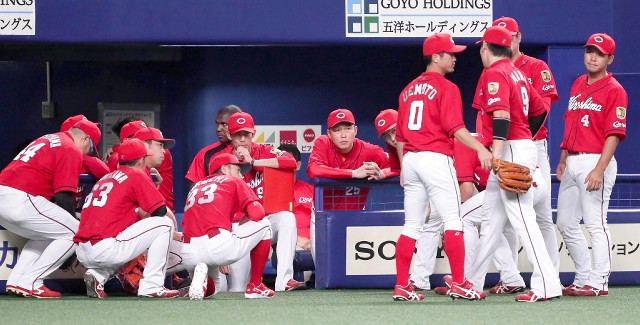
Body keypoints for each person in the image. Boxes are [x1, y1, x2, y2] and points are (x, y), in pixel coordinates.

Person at [392, 33, 492, 301]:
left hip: (411, 159)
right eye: (450, 53)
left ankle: (402, 285)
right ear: (435, 57)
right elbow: (456, 128)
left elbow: (400, 138)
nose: (455, 57)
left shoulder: (407, 90)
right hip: (435, 157)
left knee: (411, 225)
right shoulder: (447, 88)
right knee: (453, 221)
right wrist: (480, 147)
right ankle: (459, 282)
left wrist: (404, 168)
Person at [465, 26, 561, 302]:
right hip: (520, 146)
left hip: (510, 149)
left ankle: (547, 285)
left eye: (481, 46)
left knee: (523, 220)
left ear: (485, 48)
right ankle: (472, 282)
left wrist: (497, 152)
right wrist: (525, 138)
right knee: (492, 220)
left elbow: (502, 116)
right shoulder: (517, 72)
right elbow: (540, 109)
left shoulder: (494, 72)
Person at [491, 16, 561, 286]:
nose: (507, 41)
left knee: (541, 214)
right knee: (506, 216)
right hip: (506, 147)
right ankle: (511, 278)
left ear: (518, 37)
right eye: (502, 37)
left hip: (531, 146)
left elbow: (543, 109)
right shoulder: (496, 69)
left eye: (511, 36)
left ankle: (549, 275)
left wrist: (522, 141)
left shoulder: (536, 66)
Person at [556, 33, 627, 297]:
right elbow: (569, 121)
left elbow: (614, 134)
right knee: (565, 222)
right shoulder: (577, 83)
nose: (592, 56)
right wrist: (563, 158)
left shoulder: (615, 90)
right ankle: (583, 277)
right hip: (573, 159)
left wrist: (599, 168)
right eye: (589, 51)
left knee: (596, 223)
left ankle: (599, 282)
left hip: (595, 160)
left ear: (610, 58)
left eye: (599, 53)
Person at [0, 119, 101, 298]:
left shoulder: (48, 139)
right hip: (21, 197)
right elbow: (63, 197)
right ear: (85, 139)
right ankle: (33, 281)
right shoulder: (70, 148)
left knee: (44, 234)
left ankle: (17, 280)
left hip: (6, 197)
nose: (88, 153)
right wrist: (71, 247)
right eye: (91, 148)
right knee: (75, 232)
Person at [74, 138, 180, 299]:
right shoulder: (136, 175)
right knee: (164, 224)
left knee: (122, 237)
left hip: (82, 251)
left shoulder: (107, 178)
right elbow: (160, 210)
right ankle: (152, 285)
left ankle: (97, 276)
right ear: (141, 160)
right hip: (104, 248)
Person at [220, 111, 305, 292]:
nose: (242, 139)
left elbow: (289, 161)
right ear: (229, 135)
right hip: (235, 229)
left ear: (253, 133)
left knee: (286, 218)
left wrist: (254, 162)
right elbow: (215, 206)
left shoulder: (264, 151)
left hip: (262, 224)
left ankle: (284, 280)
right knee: (236, 289)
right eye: (237, 134)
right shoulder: (221, 159)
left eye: (246, 134)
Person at [182, 153, 274, 300]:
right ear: (224, 169)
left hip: (189, 252)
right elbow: (258, 214)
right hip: (218, 245)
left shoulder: (197, 186)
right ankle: (255, 285)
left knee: (214, 289)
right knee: (265, 225)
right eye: (238, 170)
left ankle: (203, 280)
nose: (242, 176)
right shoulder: (232, 181)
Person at [307, 108, 391, 210]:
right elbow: (313, 169)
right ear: (329, 133)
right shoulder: (323, 142)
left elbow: (398, 167)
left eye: (348, 129)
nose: (343, 135)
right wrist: (353, 173)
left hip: (355, 215)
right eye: (337, 130)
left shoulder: (370, 151)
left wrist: (383, 173)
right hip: (321, 213)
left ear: (355, 130)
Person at [278, 144, 315, 281]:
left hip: (311, 244)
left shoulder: (311, 190)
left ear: (298, 165)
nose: (285, 167)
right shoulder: (268, 191)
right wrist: (297, 240)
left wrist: (314, 241)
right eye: (280, 163)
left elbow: (321, 220)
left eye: (289, 163)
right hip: (282, 244)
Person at [185, 105, 242, 189]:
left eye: (224, 124)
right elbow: (194, 190)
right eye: (217, 123)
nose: (218, 128)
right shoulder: (205, 154)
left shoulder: (256, 150)